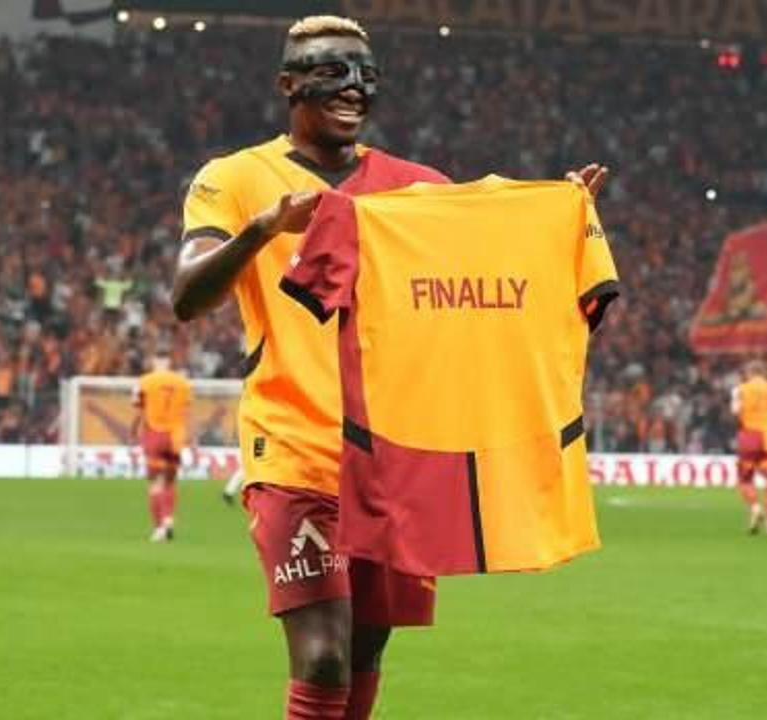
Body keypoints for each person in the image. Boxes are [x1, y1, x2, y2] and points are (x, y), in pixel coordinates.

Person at [172, 15, 608, 718]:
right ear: (288, 84)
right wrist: (263, 228)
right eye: (332, 72)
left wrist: (554, 221)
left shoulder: (417, 188)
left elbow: (487, 280)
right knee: (323, 654)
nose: (354, 87)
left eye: (366, 75)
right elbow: (187, 296)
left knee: (365, 653)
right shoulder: (235, 178)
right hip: (294, 451)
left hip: (392, 459)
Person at [132, 351, 192, 542]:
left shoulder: (145, 381)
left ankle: (159, 527)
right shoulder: (183, 383)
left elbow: (138, 408)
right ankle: (168, 519)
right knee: (170, 481)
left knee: (155, 483)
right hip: (175, 437)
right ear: (169, 362)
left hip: (154, 434)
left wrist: (134, 430)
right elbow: (186, 411)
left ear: (155, 361)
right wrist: (190, 438)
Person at [731, 360, 767, 537]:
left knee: (745, 479)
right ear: (763, 373)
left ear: (749, 373)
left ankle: (755, 508)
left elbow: (735, 411)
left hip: (751, 436)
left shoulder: (740, 389)